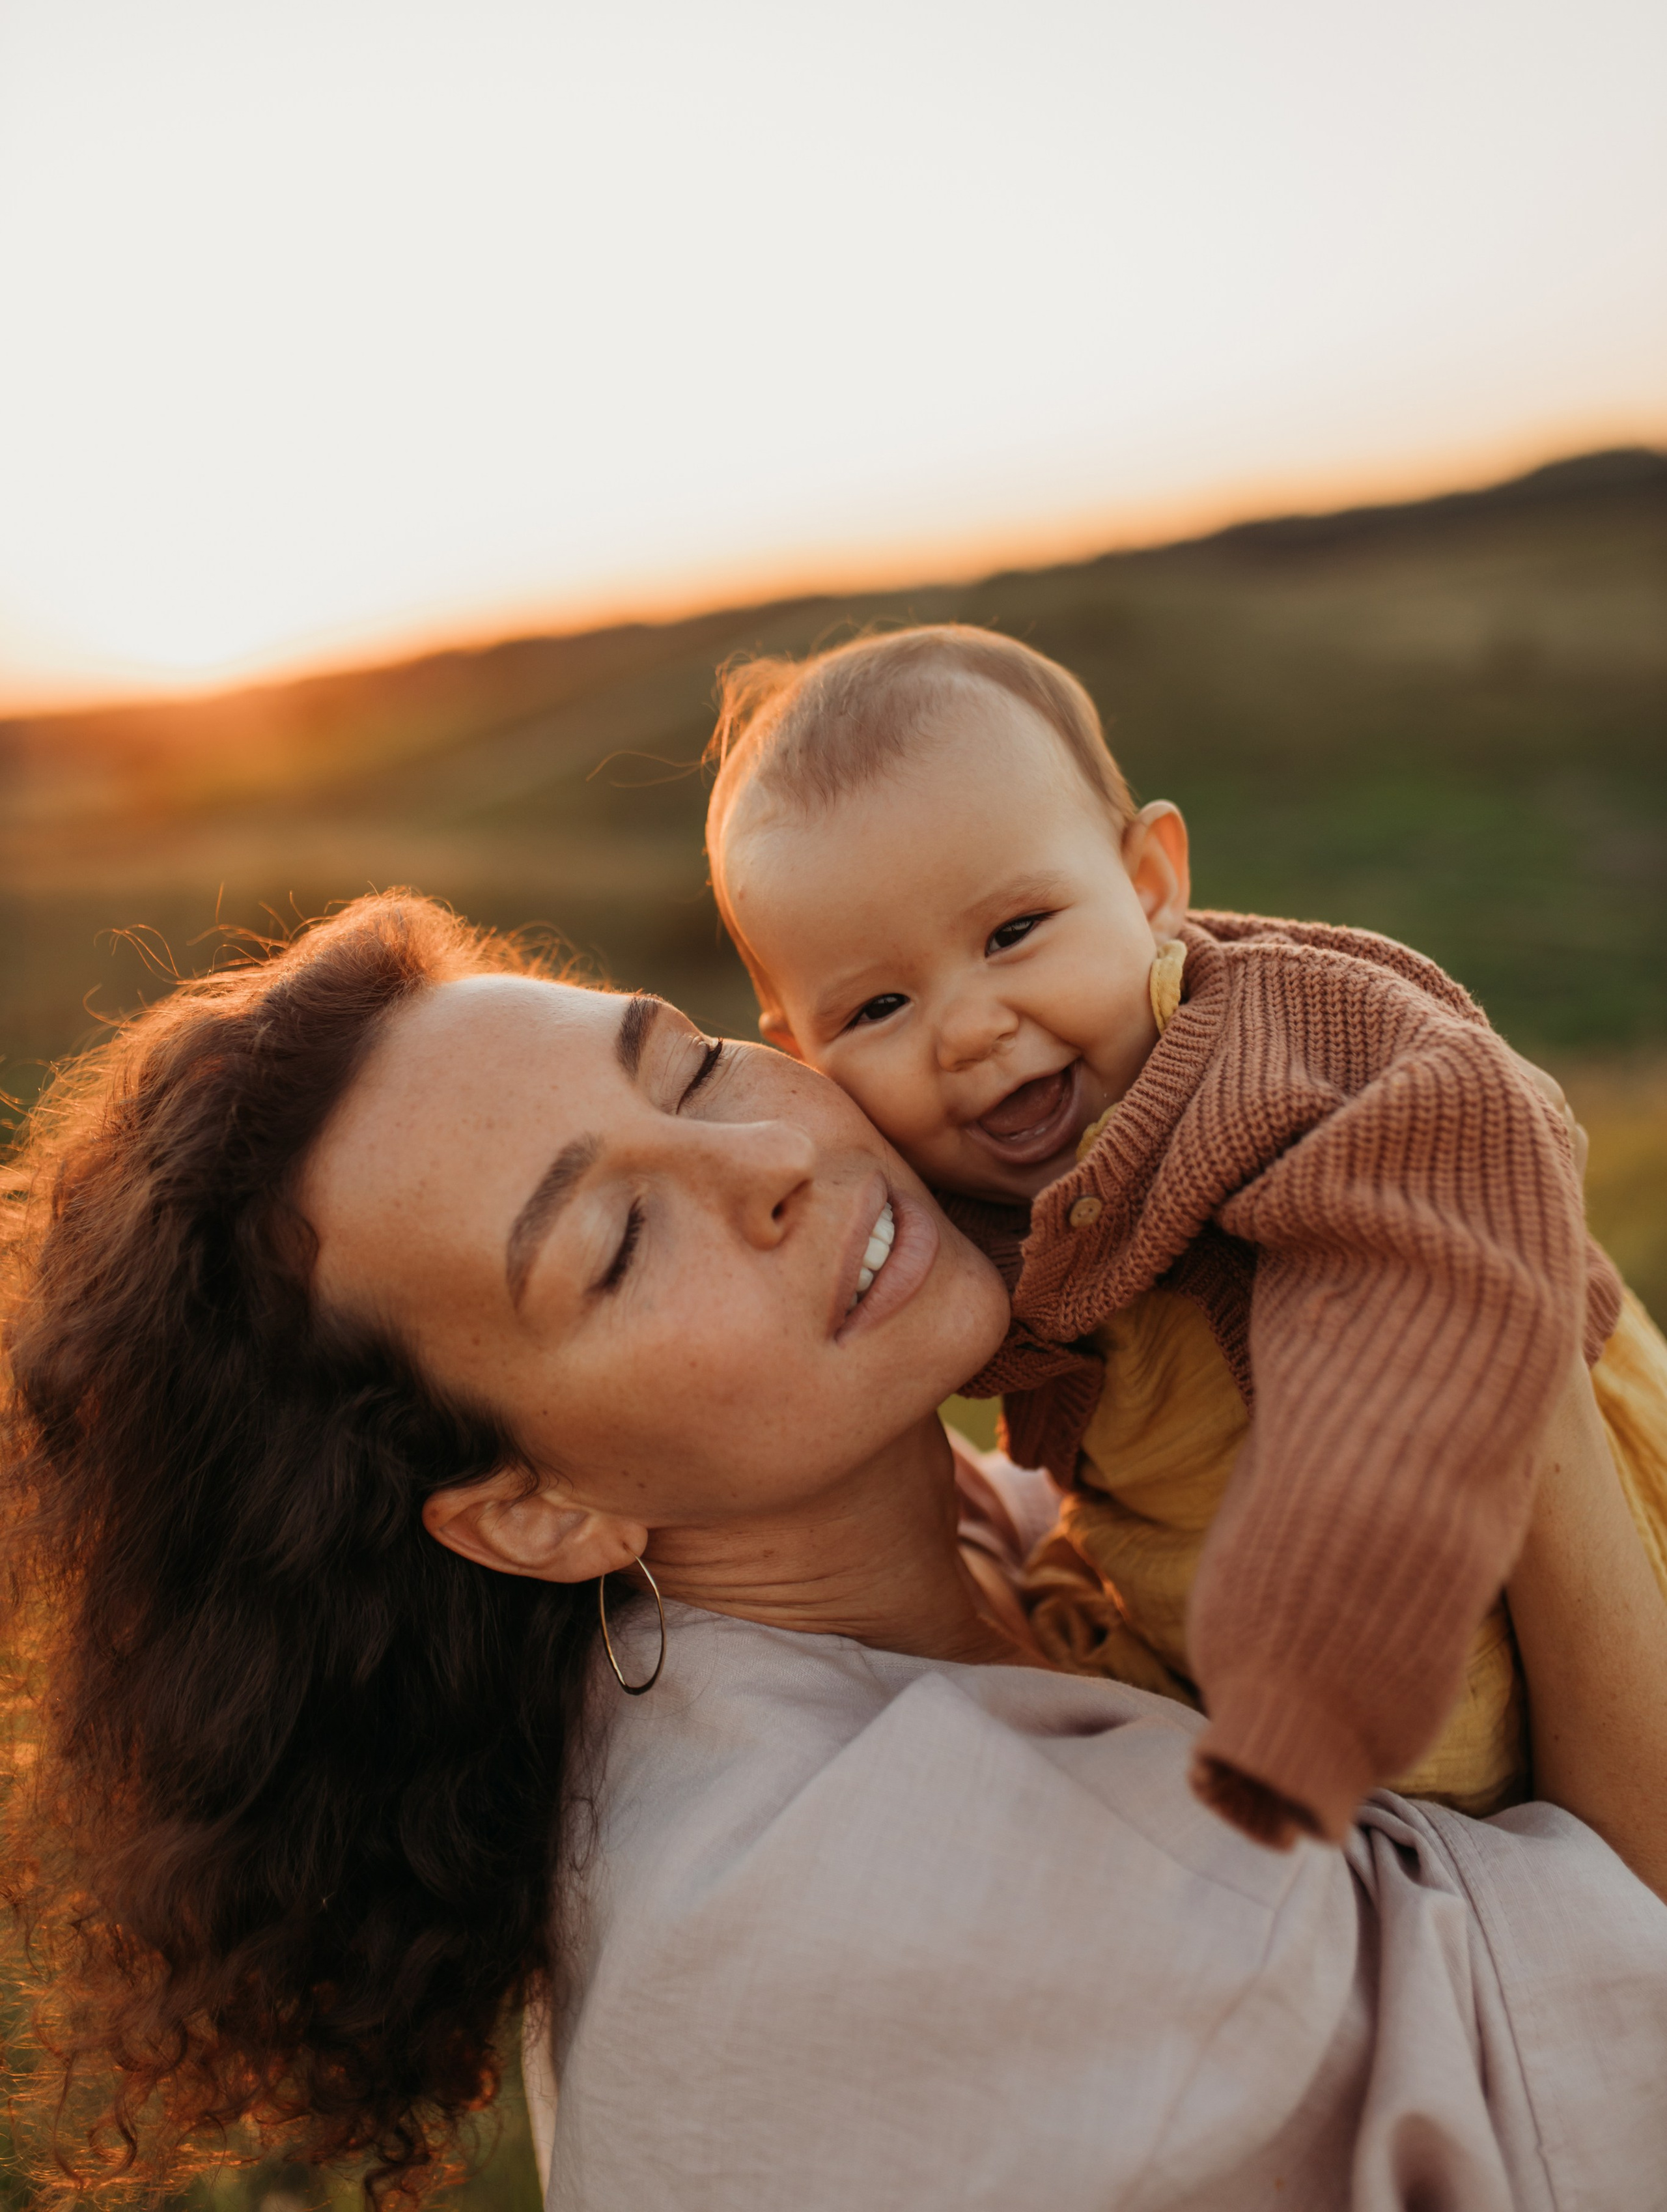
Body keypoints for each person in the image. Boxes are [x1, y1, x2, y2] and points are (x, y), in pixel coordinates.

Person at [4, 894, 1666, 2212]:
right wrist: (1471, 1270)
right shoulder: (845, 1920)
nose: (772, 1160)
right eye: (619, 1241)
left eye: (692, 1065)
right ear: (534, 1511)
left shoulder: (1016, 1526)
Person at [701, 625, 1667, 1843]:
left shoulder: (1277, 1040)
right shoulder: (928, 1190)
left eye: (1013, 933)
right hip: (1218, 1639)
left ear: (1150, 882)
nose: (968, 1028)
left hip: (1463, 1564)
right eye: (880, 1006)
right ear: (803, 1053)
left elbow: (1475, 1131)